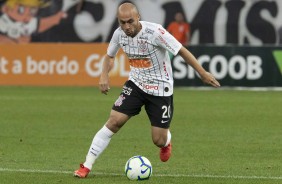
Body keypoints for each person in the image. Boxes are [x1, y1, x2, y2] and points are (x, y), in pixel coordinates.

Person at [74, 2, 220, 178]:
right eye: (122, 22)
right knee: (114, 121)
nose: (126, 27)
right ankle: (86, 165)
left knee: (158, 139)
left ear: (138, 18)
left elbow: (181, 50)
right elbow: (109, 56)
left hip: (161, 89)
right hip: (136, 84)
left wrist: (202, 73)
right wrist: (104, 75)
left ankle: (167, 141)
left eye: (130, 21)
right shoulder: (119, 34)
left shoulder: (155, 32)